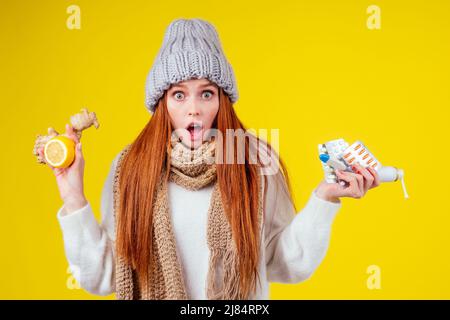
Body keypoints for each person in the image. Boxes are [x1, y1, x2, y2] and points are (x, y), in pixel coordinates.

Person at [38, 18, 380, 300]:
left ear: (222, 100)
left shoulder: (256, 162)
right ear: (162, 104)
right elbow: (102, 278)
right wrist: (72, 197)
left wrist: (324, 198)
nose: (193, 108)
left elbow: (285, 263)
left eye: (206, 93)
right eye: (178, 94)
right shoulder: (131, 168)